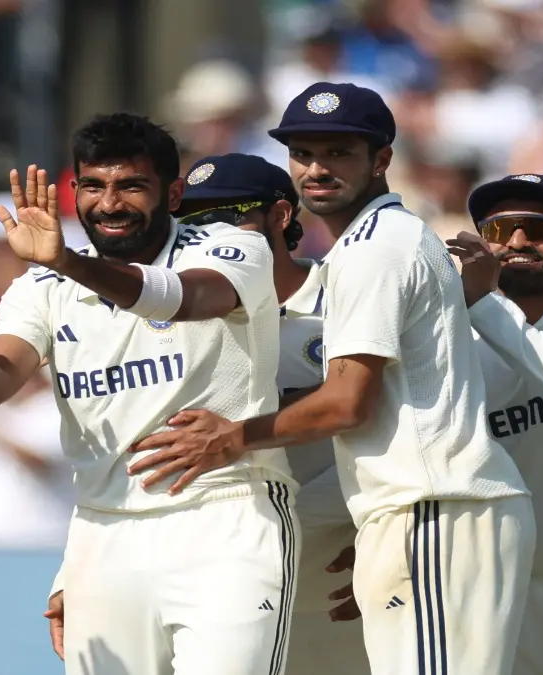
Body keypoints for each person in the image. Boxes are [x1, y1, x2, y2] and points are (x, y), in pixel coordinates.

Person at [0, 112, 298, 675]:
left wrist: (68, 261)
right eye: (93, 186)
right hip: (104, 529)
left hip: (223, 520)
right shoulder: (42, 287)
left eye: (131, 186)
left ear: (173, 192)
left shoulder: (230, 249)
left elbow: (182, 299)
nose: (109, 204)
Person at [137, 82, 535, 675]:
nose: (317, 168)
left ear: (381, 159)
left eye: (338, 152)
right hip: (423, 509)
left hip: (434, 506)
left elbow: (348, 404)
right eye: (303, 153)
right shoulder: (378, 241)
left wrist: (231, 436)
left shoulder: (373, 249)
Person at [136, 152, 371, 675]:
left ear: (281, 217)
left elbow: (392, 426)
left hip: (336, 574)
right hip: (219, 576)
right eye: (192, 221)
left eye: (227, 214)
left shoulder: (348, 297)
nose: (208, 234)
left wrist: (381, 536)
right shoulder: (178, 313)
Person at [446, 173, 543, 675]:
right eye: (499, 230)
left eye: (541, 228)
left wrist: (484, 304)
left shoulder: (480, 312)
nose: (518, 241)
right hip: (491, 585)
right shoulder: (454, 332)